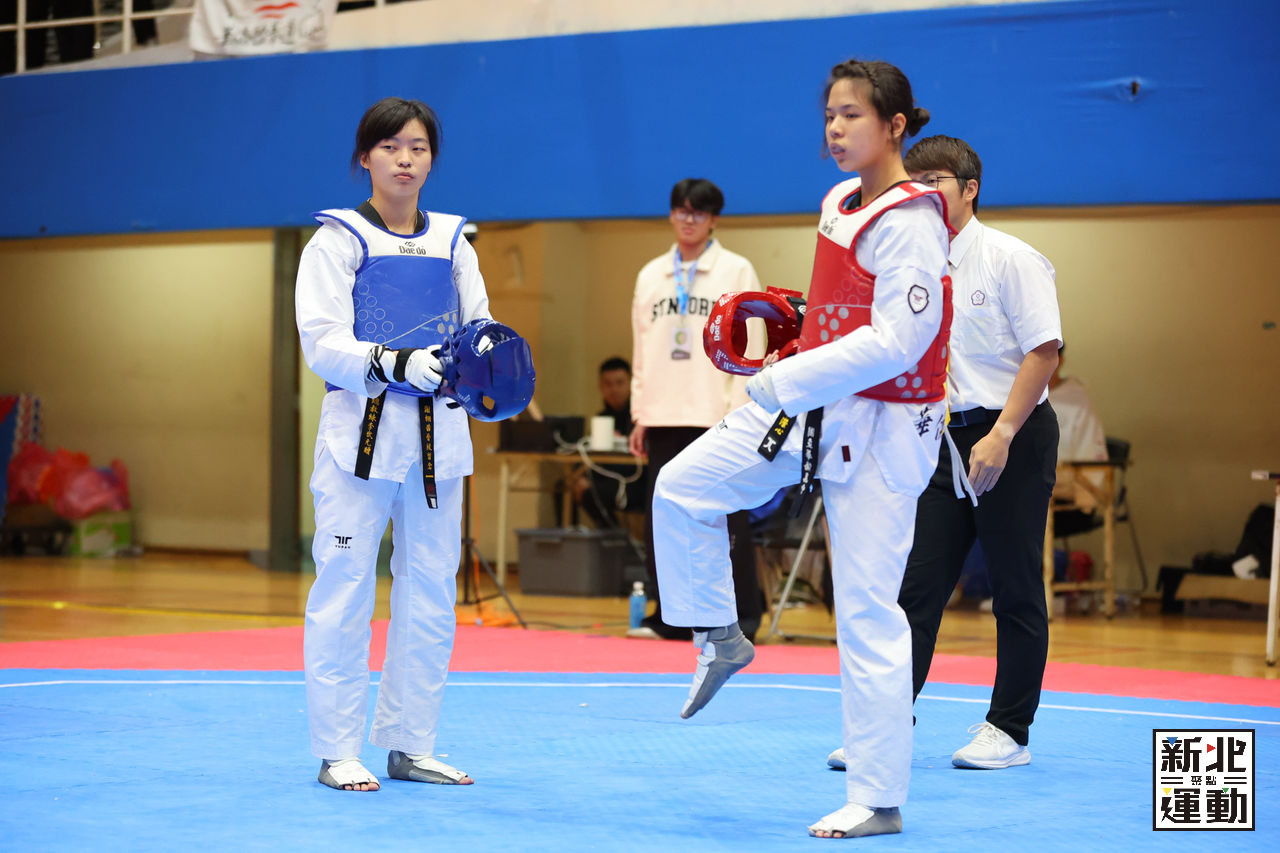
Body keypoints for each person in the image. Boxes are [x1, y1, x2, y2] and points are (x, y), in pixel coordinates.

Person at [651, 59, 951, 838]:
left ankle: (877, 797)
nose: (836, 128)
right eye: (829, 115)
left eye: (853, 115)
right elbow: (845, 309)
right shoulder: (837, 202)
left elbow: (899, 339)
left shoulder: (914, 220)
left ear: (895, 126)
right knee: (681, 486)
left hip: (882, 427)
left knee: (867, 611)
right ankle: (720, 634)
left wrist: (786, 376)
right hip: (814, 402)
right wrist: (799, 325)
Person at [296, 96, 496, 792]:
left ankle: (412, 743)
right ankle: (336, 750)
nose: (405, 160)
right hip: (361, 434)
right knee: (345, 582)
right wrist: (392, 362)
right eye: (390, 147)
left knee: (433, 587)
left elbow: (480, 329)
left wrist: (494, 370)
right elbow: (322, 341)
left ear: (432, 159)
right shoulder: (337, 240)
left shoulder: (455, 241)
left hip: (441, 437)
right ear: (365, 157)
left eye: (418, 147)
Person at [882, 135, 1061, 772]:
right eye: (915, 184)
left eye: (935, 181)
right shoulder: (911, 268)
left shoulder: (1011, 258)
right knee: (917, 585)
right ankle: (885, 724)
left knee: (1015, 585)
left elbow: (1044, 352)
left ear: (969, 188)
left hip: (1013, 432)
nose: (924, 194)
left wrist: (1003, 433)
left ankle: (1009, 729)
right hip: (939, 438)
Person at [627, 178, 764, 642]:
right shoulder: (650, 275)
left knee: (726, 517)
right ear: (671, 215)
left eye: (699, 212)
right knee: (663, 517)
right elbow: (640, 348)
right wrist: (640, 413)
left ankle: (743, 614)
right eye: (682, 211)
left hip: (717, 414)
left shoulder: (737, 270)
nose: (689, 220)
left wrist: (742, 411)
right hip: (662, 414)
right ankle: (669, 616)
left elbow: (753, 344)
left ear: (714, 219)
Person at [571, 357, 644, 528]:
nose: (614, 389)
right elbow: (590, 456)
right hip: (608, 478)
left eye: (619, 383)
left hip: (636, 483)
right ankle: (569, 535)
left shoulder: (640, 419)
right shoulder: (602, 418)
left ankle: (616, 537)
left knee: (589, 491)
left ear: (631, 384)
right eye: (608, 384)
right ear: (600, 387)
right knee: (568, 485)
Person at [1048, 344, 1108, 521]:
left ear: (1059, 360)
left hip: (1068, 494)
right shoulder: (1021, 396)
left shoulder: (1076, 400)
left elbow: (1089, 459)